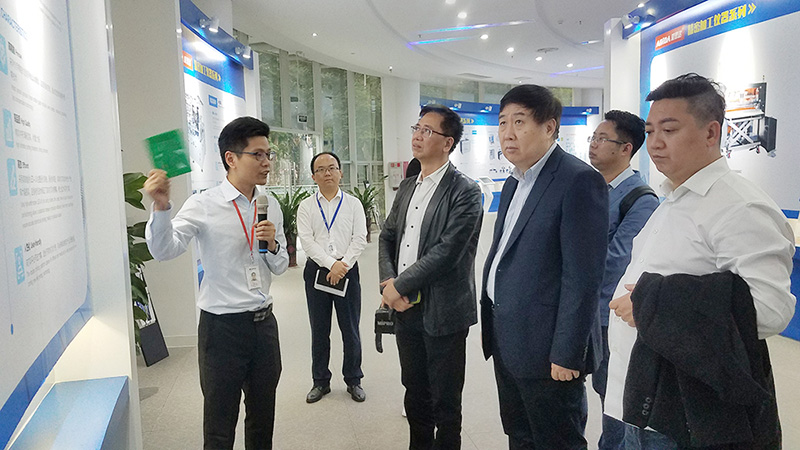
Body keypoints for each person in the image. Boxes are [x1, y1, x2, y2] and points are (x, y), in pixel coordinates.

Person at [606, 73, 796, 448]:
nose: (655, 143)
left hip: (685, 412)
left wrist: (651, 302)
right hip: (640, 399)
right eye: (650, 131)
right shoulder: (673, 198)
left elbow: (770, 310)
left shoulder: (739, 205)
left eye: (669, 130)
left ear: (711, 133)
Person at [144, 116, 288, 450]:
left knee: (262, 420)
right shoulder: (204, 204)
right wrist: (162, 207)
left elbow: (280, 266)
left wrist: (272, 245)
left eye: (268, 154)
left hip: (264, 328)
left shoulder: (270, 205)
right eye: (257, 155)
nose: (267, 162)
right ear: (231, 158)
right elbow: (164, 250)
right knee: (220, 426)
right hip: (222, 330)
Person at [480, 84, 609, 449]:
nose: (507, 133)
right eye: (502, 122)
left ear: (549, 127)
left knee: (557, 441)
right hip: (508, 339)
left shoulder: (578, 180)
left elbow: (583, 278)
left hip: (549, 350)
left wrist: (567, 353)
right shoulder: (513, 183)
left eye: (519, 122)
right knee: (520, 435)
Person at [379, 104, 483, 449]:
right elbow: (387, 236)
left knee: (445, 402)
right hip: (405, 308)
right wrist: (389, 283)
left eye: (427, 131)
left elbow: (447, 252)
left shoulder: (465, 190)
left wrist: (398, 286)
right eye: (417, 128)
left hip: (444, 311)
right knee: (415, 393)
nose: (417, 136)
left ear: (448, 142)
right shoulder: (408, 186)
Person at [587, 110, 659, 449]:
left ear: (626, 148)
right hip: (582, 309)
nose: (593, 144)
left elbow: (617, 260)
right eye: (593, 138)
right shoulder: (589, 187)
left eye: (603, 139)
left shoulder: (640, 198)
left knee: (612, 394)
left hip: (608, 313)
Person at [297, 151, 368, 404]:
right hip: (317, 271)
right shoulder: (306, 206)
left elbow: (360, 238)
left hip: (347, 271)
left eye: (332, 168)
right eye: (321, 169)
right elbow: (307, 241)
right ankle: (320, 381)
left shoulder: (353, 204)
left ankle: (354, 379)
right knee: (319, 329)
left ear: (340, 172)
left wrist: (342, 265)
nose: (327, 173)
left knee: (350, 329)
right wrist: (330, 265)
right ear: (313, 176)